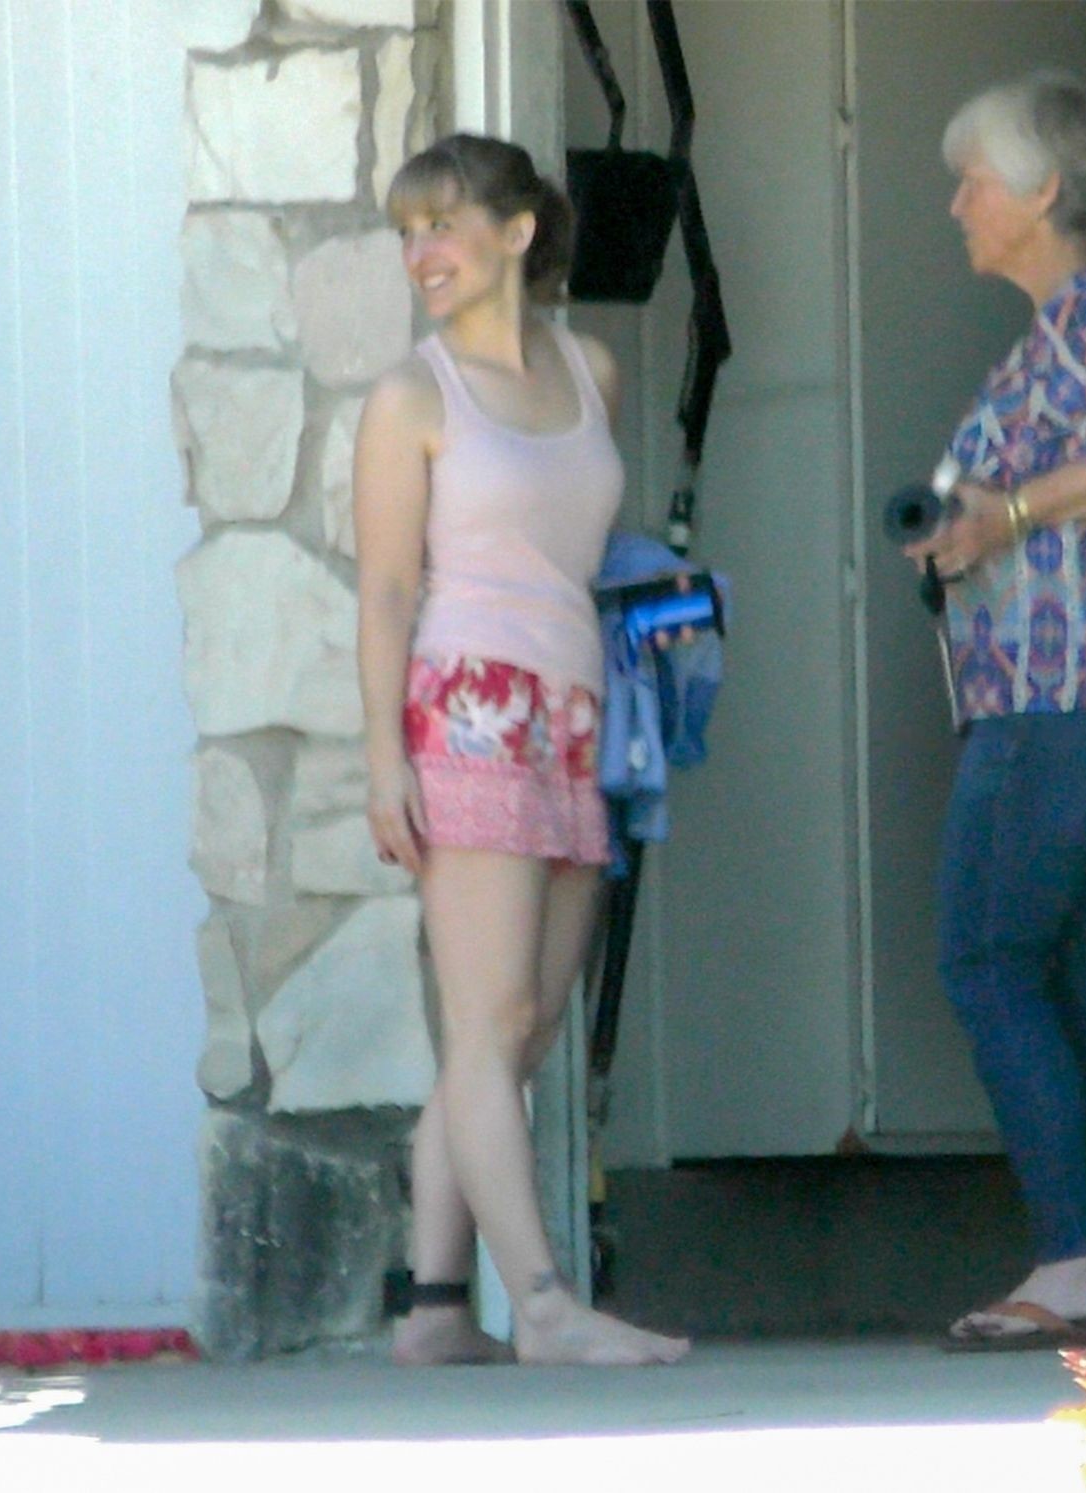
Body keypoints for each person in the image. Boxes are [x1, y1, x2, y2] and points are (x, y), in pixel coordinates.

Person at [354, 132, 690, 1368]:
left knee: (524, 1026)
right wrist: (384, 759)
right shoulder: (411, 396)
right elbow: (387, 591)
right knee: (490, 1015)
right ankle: (543, 1303)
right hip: (468, 708)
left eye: (440, 225)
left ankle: (436, 1310)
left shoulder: (589, 368)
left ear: (518, 232)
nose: (421, 253)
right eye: (407, 233)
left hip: (577, 710)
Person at [901, 72, 1086, 1350]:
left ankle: (1072, 1253)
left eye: (975, 179)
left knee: (987, 959)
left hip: (1058, 697)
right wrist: (969, 532)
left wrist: (1011, 513)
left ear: (1041, 194)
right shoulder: (1073, 327)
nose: (958, 202)